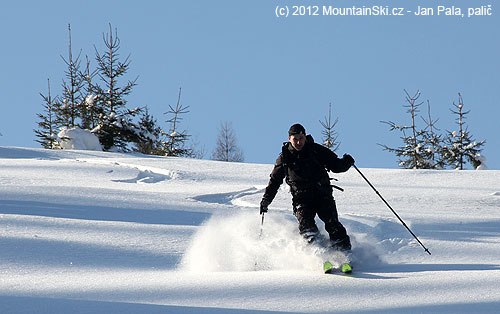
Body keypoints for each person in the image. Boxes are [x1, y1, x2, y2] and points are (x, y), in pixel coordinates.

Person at [259, 123, 355, 251]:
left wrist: (346, 162)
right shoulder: (284, 158)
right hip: (301, 198)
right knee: (306, 225)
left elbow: (336, 165)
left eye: (301, 138)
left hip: (322, 194)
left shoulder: (316, 150)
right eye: (295, 139)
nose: (298, 142)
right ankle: (318, 253)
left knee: (332, 222)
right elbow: (275, 181)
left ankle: (344, 253)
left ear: (305, 137)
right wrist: (266, 199)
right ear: (289, 139)